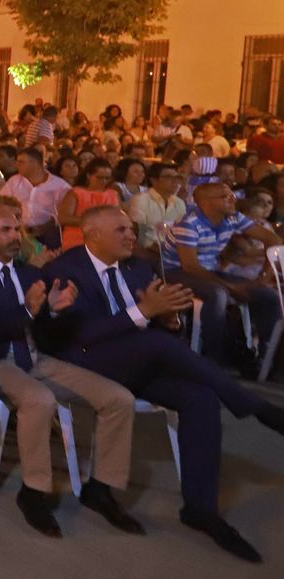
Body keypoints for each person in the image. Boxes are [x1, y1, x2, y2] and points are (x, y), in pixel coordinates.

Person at [42, 206, 284, 563]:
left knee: (200, 398)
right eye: (121, 229)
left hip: (136, 361)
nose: (131, 235)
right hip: (83, 364)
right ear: (92, 235)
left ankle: (201, 509)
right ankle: (258, 407)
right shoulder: (64, 270)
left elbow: (156, 325)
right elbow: (79, 338)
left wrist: (168, 321)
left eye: (132, 228)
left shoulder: (138, 266)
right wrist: (144, 314)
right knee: (153, 343)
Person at [0, 208, 141, 538]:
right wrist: (27, 309)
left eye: (18, 229)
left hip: (38, 357)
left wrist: (53, 311)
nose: (15, 236)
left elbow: (40, 324)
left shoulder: (28, 273)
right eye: (6, 230)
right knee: (39, 400)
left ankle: (101, 488)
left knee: (119, 398)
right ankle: (34, 491)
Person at [163, 182, 282, 366]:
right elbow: (191, 267)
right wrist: (231, 287)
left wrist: (263, 278)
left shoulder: (233, 218)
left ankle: (267, 359)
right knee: (218, 294)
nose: (232, 199)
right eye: (225, 197)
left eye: (232, 195)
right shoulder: (189, 224)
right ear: (206, 203)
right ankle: (214, 358)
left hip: (210, 270)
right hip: (177, 271)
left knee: (269, 296)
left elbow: (272, 239)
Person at [0, 146, 71, 251]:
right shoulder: (14, 181)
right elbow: (1, 202)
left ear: (35, 163)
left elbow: (65, 213)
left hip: (48, 232)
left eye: (21, 162)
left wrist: (46, 226)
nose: (16, 164)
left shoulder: (60, 186)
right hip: (19, 230)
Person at [57, 157, 121, 251]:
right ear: (88, 175)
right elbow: (63, 218)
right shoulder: (76, 193)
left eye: (107, 178)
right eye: (99, 177)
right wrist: (95, 222)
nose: (104, 181)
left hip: (107, 241)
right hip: (78, 240)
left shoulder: (113, 194)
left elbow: (119, 217)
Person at [128, 162, 186, 259]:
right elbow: (138, 234)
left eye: (176, 177)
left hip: (174, 252)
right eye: (168, 177)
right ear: (154, 180)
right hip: (149, 253)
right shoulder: (141, 200)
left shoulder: (179, 202)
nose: (175, 181)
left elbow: (182, 231)